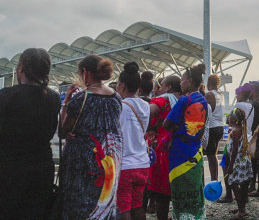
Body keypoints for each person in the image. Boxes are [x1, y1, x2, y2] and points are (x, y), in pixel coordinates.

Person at [0, 48, 60, 220]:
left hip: (5, 174)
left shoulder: (5, 96)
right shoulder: (53, 98)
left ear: (21, 68)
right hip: (40, 174)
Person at [60, 55, 123, 220]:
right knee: (103, 203)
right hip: (109, 161)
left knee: (80, 205)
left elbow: (62, 130)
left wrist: (66, 100)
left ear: (86, 73)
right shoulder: (116, 98)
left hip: (81, 164)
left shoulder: (81, 98)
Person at [163, 63, 208, 220]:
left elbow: (166, 124)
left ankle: (182, 216)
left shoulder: (184, 100)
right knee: (194, 186)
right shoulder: (202, 99)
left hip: (180, 152)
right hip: (196, 150)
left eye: (182, 79)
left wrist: (176, 125)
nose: (180, 83)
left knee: (180, 187)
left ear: (190, 81)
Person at [115, 62, 151, 220]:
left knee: (124, 208)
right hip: (142, 164)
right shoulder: (145, 105)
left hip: (125, 165)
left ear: (122, 85)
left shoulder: (119, 106)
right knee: (137, 205)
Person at [145, 75, 182, 220]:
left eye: (160, 86)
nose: (157, 89)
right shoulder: (183, 100)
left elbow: (145, 113)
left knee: (161, 194)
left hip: (162, 150)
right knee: (177, 189)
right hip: (180, 150)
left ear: (169, 88)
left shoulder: (163, 100)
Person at [226, 107, 254, 220]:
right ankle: (241, 208)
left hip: (237, 161)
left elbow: (234, 150)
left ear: (234, 118)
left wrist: (231, 165)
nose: (229, 116)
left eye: (231, 115)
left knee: (233, 183)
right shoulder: (240, 128)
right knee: (242, 184)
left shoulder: (235, 131)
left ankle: (241, 210)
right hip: (243, 159)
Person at [204, 74, 224, 183]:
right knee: (213, 155)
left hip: (212, 127)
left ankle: (213, 180)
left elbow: (206, 111)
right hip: (220, 127)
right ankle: (214, 179)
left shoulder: (209, 95)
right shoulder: (220, 94)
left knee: (210, 155)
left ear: (208, 84)